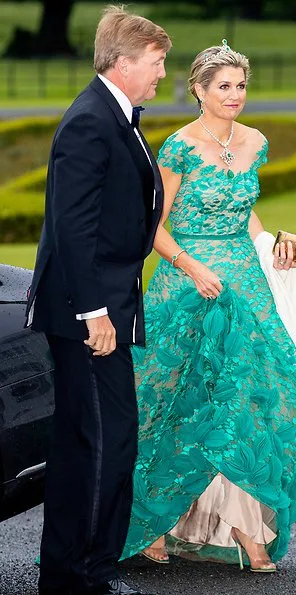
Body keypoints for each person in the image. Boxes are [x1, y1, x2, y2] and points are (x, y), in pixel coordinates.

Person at [121, 41, 296, 572]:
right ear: (199, 90)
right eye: (223, 86)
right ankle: (155, 519)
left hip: (245, 284)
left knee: (249, 401)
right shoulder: (179, 148)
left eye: (241, 86)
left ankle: (247, 529)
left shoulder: (255, 142)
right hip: (187, 284)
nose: (234, 95)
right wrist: (191, 266)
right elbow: (151, 226)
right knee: (173, 401)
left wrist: (274, 247)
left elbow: (246, 215)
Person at [25, 6, 171, 594]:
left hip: (104, 305)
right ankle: (83, 575)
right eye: (157, 62)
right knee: (101, 442)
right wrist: (94, 313)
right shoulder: (91, 121)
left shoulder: (117, 117)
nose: (163, 72)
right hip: (89, 314)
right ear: (124, 62)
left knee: (99, 438)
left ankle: (77, 571)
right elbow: (72, 225)